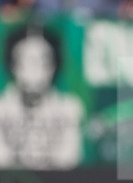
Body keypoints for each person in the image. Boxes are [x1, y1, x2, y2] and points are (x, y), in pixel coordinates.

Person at [0, 27, 84, 169]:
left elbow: (69, 159)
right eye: (25, 61)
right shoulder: (2, 108)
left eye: (42, 61)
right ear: (13, 65)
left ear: (53, 66)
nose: (33, 69)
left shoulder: (69, 107)